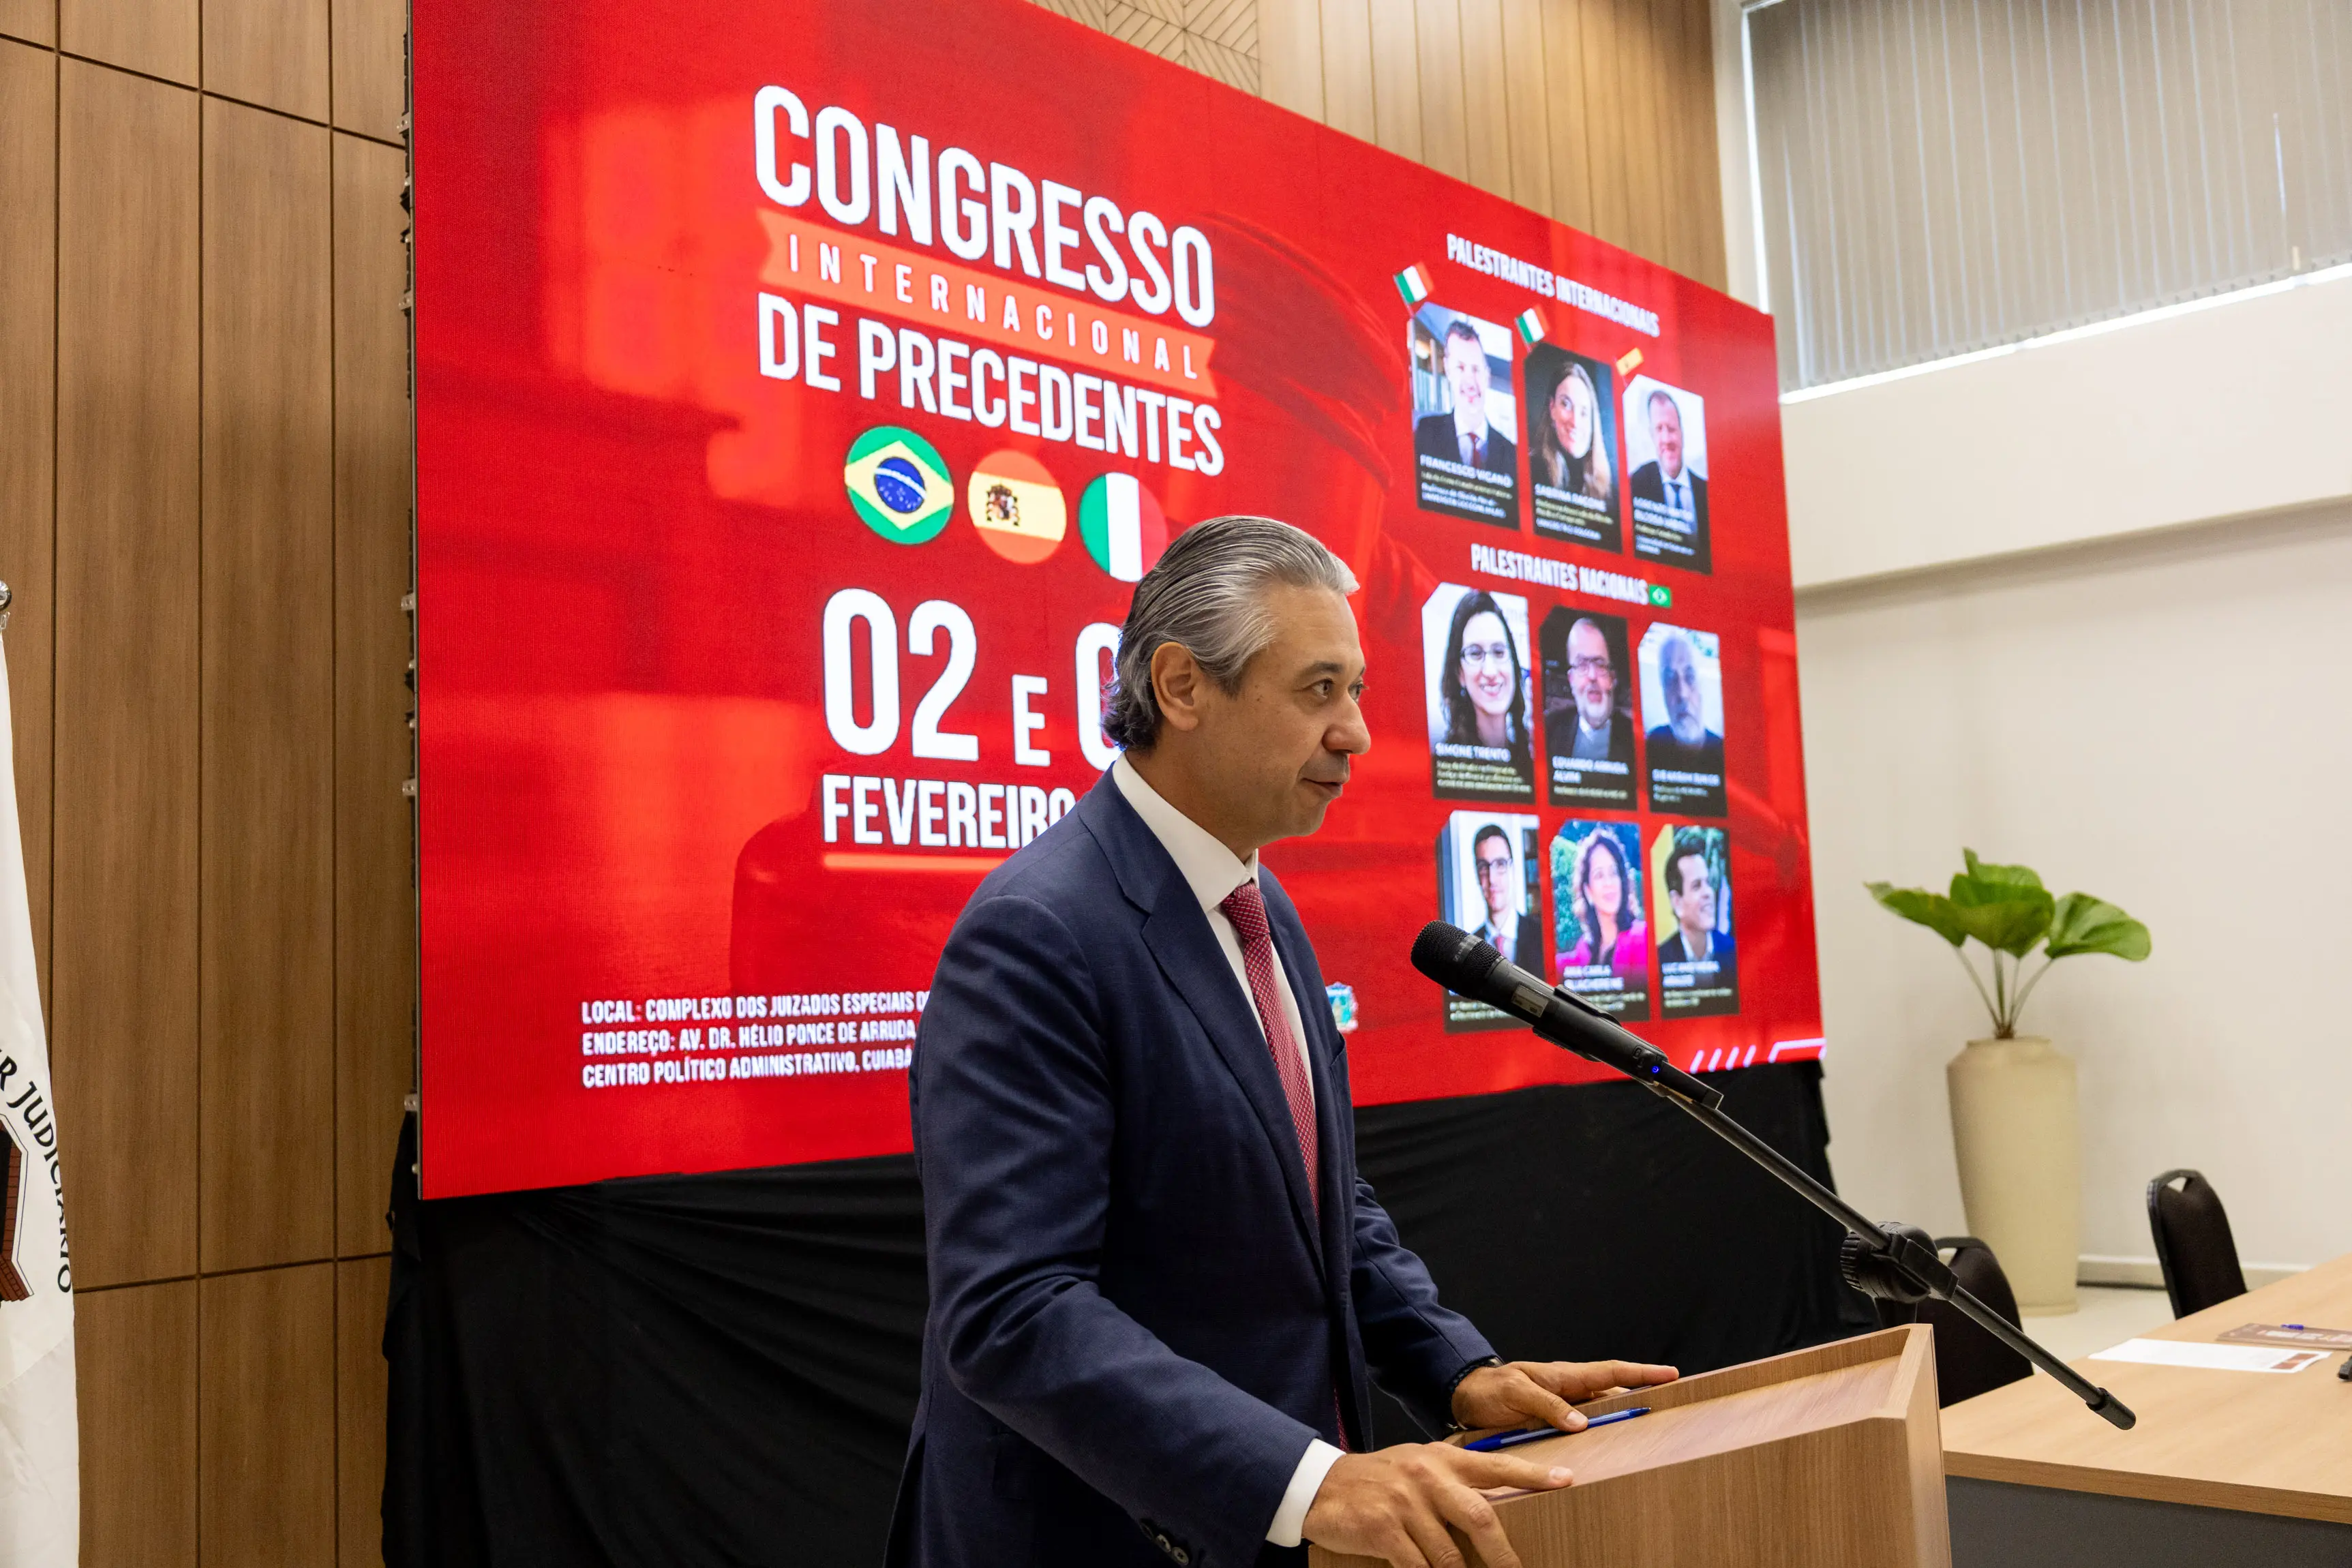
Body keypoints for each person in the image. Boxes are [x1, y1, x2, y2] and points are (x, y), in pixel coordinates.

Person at [892, 516, 1676, 1568]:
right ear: (1181, 686)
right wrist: (1304, 1481)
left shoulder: (1260, 907)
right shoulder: (1039, 933)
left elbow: (1318, 1197)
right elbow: (1011, 1312)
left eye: (1354, 690)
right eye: (1318, 691)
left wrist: (1454, 1370)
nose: (1354, 733)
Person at [1438, 590, 1534, 781]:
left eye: (1499, 652)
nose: (1490, 671)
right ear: (1459, 673)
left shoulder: (1531, 762)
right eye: (1475, 654)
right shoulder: (1446, 765)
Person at [1413, 320, 1518, 477]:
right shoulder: (1426, 433)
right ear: (1448, 370)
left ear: (1487, 376)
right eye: (1460, 368)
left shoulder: (1511, 453)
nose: (1470, 383)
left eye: (1476, 369)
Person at [1560, 830, 1646, 989]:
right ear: (1588, 891)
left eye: (1614, 873)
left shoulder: (1642, 937)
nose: (1609, 883)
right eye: (1599, 875)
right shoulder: (1583, 949)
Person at [1656, 830, 1736, 981]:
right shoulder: (1660, 960)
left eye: (1708, 883)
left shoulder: (1733, 952)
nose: (1708, 893)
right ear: (1677, 902)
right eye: (1697, 886)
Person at [1529, 360, 1612, 504]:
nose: (1575, 422)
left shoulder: (1608, 491)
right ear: (1552, 408)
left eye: (1584, 412)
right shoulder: (1530, 470)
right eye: (1566, 405)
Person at [1627, 389, 1706, 535]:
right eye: (1659, 429)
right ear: (1652, 435)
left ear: (1682, 433)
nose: (1666, 439)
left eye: (1671, 429)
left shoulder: (1705, 491)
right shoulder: (1636, 485)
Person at [1644, 632, 1723, 777]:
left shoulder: (1723, 752)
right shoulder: (1651, 744)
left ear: (1702, 686)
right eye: (1670, 679)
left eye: (1690, 677)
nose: (1682, 693)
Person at [1466, 824, 1541, 971]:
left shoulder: (1541, 936)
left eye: (1500, 864)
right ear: (1476, 874)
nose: (1492, 879)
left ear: (1512, 869)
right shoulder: (1468, 950)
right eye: (1483, 867)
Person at [1558, 616, 1632, 764]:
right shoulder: (1551, 729)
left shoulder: (1634, 738)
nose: (1592, 676)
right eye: (1582, 664)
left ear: (1612, 678)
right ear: (1571, 679)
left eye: (1600, 665)